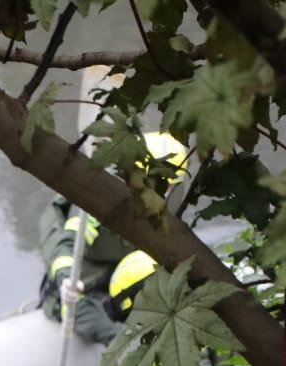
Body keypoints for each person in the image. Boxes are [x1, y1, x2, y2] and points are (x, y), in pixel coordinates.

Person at [36, 132, 187, 345]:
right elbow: (67, 244)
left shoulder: (169, 200)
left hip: (124, 283)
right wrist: (66, 279)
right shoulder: (99, 197)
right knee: (94, 320)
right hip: (84, 288)